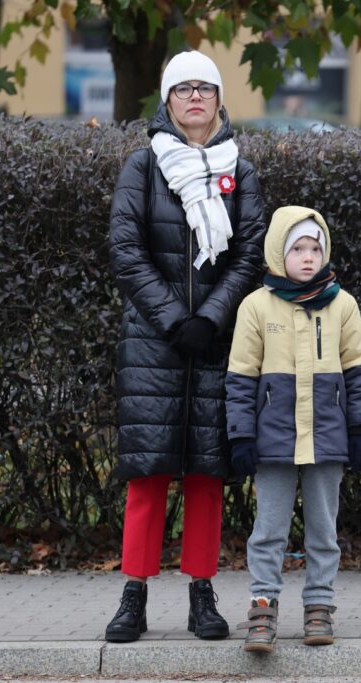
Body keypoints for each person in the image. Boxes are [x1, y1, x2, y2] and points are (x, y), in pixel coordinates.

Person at [104, 50, 266, 643]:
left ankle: (202, 591)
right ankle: (134, 594)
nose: (195, 97)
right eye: (183, 89)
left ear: (220, 101)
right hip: (154, 342)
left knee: (205, 473)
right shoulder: (141, 166)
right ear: (167, 102)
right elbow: (126, 251)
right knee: (147, 475)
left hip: (216, 343)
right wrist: (176, 319)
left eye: (206, 88)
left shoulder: (240, 171)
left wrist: (212, 317)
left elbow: (251, 251)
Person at [225, 206, 361, 653]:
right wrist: (241, 435)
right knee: (268, 529)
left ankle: (319, 607)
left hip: (328, 439)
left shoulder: (342, 304)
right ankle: (263, 606)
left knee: (322, 530)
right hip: (273, 442)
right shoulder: (256, 306)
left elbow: (359, 369)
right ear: (278, 253)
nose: (308, 257)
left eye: (316, 248)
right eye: (298, 249)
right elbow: (241, 375)